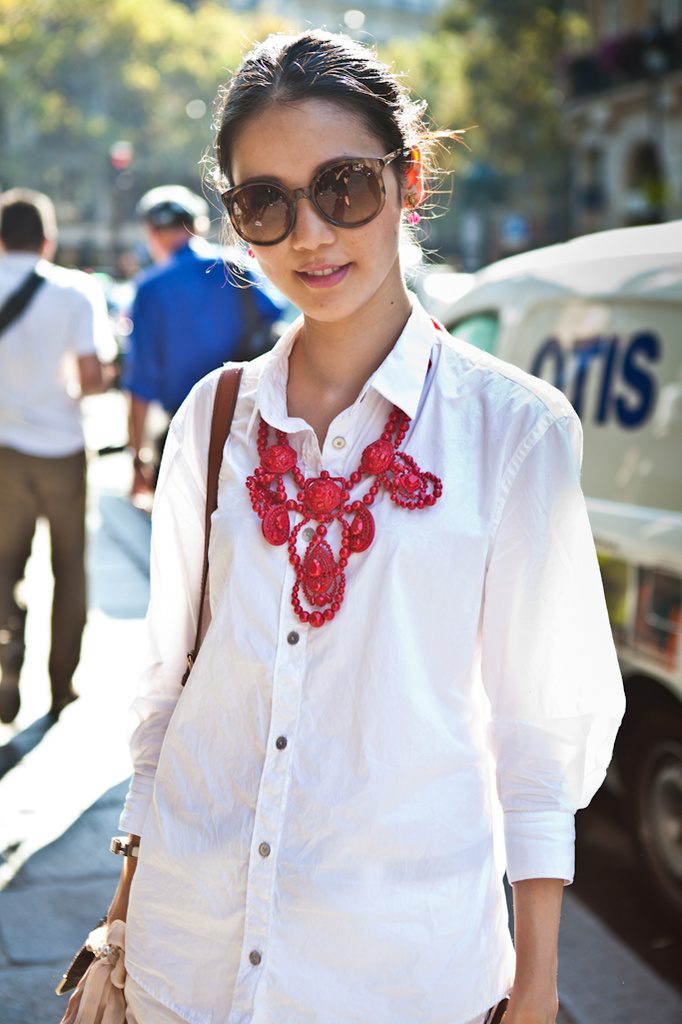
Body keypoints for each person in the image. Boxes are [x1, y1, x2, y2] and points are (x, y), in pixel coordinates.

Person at [68, 30, 625, 1024]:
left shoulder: (515, 431)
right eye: (267, 202)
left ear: (408, 181)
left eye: (345, 187)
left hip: (399, 978)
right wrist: (120, 918)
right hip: (183, 965)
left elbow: (540, 742)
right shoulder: (213, 418)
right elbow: (169, 699)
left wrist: (536, 989)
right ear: (239, 222)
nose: (311, 234)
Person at [0, 188, 114, 723]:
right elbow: (90, 379)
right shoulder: (75, 292)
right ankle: (61, 682)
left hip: (3, 453)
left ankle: (6, 667)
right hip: (62, 450)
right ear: (47, 240)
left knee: (4, 567)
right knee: (69, 568)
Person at [122, 184, 281, 510]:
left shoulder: (151, 288)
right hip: (256, 429)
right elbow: (281, 325)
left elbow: (139, 384)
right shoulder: (239, 267)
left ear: (152, 234)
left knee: (191, 534)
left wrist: (138, 461)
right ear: (199, 225)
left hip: (189, 436)